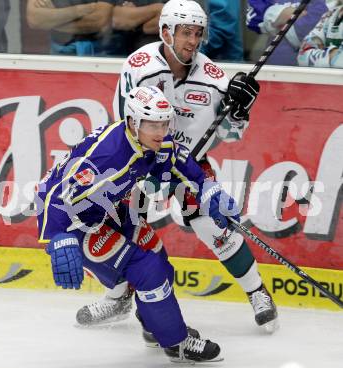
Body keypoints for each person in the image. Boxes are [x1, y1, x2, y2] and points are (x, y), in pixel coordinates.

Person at [76, 0, 279, 337]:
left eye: (198, 33)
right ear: (166, 31)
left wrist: (240, 112)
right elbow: (124, 125)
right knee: (117, 223)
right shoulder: (139, 67)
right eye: (186, 32)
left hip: (188, 165)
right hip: (139, 160)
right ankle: (117, 297)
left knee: (212, 223)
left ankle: (257, 291)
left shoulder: (213, 77)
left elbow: (230, 134)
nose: (192, 40)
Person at [35, 85, 236, 362]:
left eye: (164, 123)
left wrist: (208, 189)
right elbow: (56, 195)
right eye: (152, 124)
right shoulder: (106, 158)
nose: (160, 131)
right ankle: (176, 343)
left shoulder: (149, 141)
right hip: (77, 223)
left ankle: (155, 326)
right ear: (132, 122)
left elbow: (177, 160)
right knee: (146, 269)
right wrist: (58, 235)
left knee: (157, 257)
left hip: (109, 209)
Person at [246, 0, 328, 66]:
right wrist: (300, 17)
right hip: (275, 70)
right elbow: (255, 19)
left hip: (315, 73)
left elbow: (309, 30)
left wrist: (277, 18)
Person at [26, 0, 116, 56]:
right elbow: (35, 19)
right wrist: (80, 10)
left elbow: (98, 21)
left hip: (97, 53)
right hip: (59, 51)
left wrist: (51, 19)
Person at [297, 1, 343, 67]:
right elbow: (302, 56)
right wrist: (333, 55)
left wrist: (323, 56)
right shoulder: (330, 14)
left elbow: (340, 62)